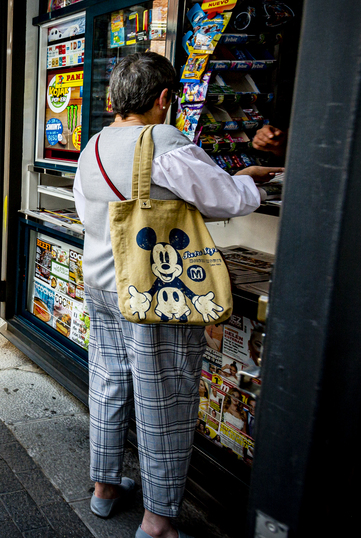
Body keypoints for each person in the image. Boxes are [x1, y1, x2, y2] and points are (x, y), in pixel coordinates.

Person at [73, 52, 281, 538]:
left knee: (108, 382)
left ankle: (104, 489)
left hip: (100, 283)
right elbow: (222, 199)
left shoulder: (93, 146)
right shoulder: (164, 141)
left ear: (113, 98)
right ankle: (158, 519)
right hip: (152, 291)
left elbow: (90, 214)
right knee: (165, 397)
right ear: (164, 98)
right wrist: (247, 182)